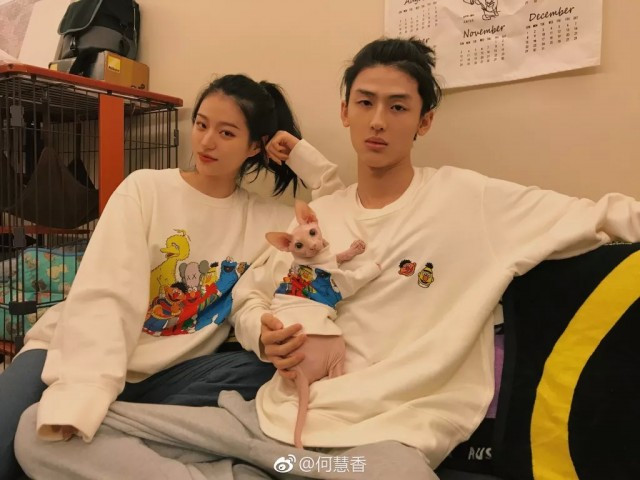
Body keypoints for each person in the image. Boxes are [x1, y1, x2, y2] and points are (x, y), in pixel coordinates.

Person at [15, 38, 640, 479]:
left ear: (424, 121)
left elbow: (604, 215)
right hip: (266, 425)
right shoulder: (316, 217)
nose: (378, 121)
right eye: (364, 103)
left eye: (398, 106)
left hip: (370, 446)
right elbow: (251, 297)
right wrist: (264, 333)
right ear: (344, 112)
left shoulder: (470, 201)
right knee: (41, 433)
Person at [0, 73, 341, 480]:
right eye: (201, 124)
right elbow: (105, 298)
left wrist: (304, 159)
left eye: (226, 133)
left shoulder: (268, 221)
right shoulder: (145, 189)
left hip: (171, 374)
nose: (207, 142)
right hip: (76, 353)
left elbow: (338, 226)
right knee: (16, 447)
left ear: (255, 146)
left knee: (266, 368)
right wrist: (82, 392)